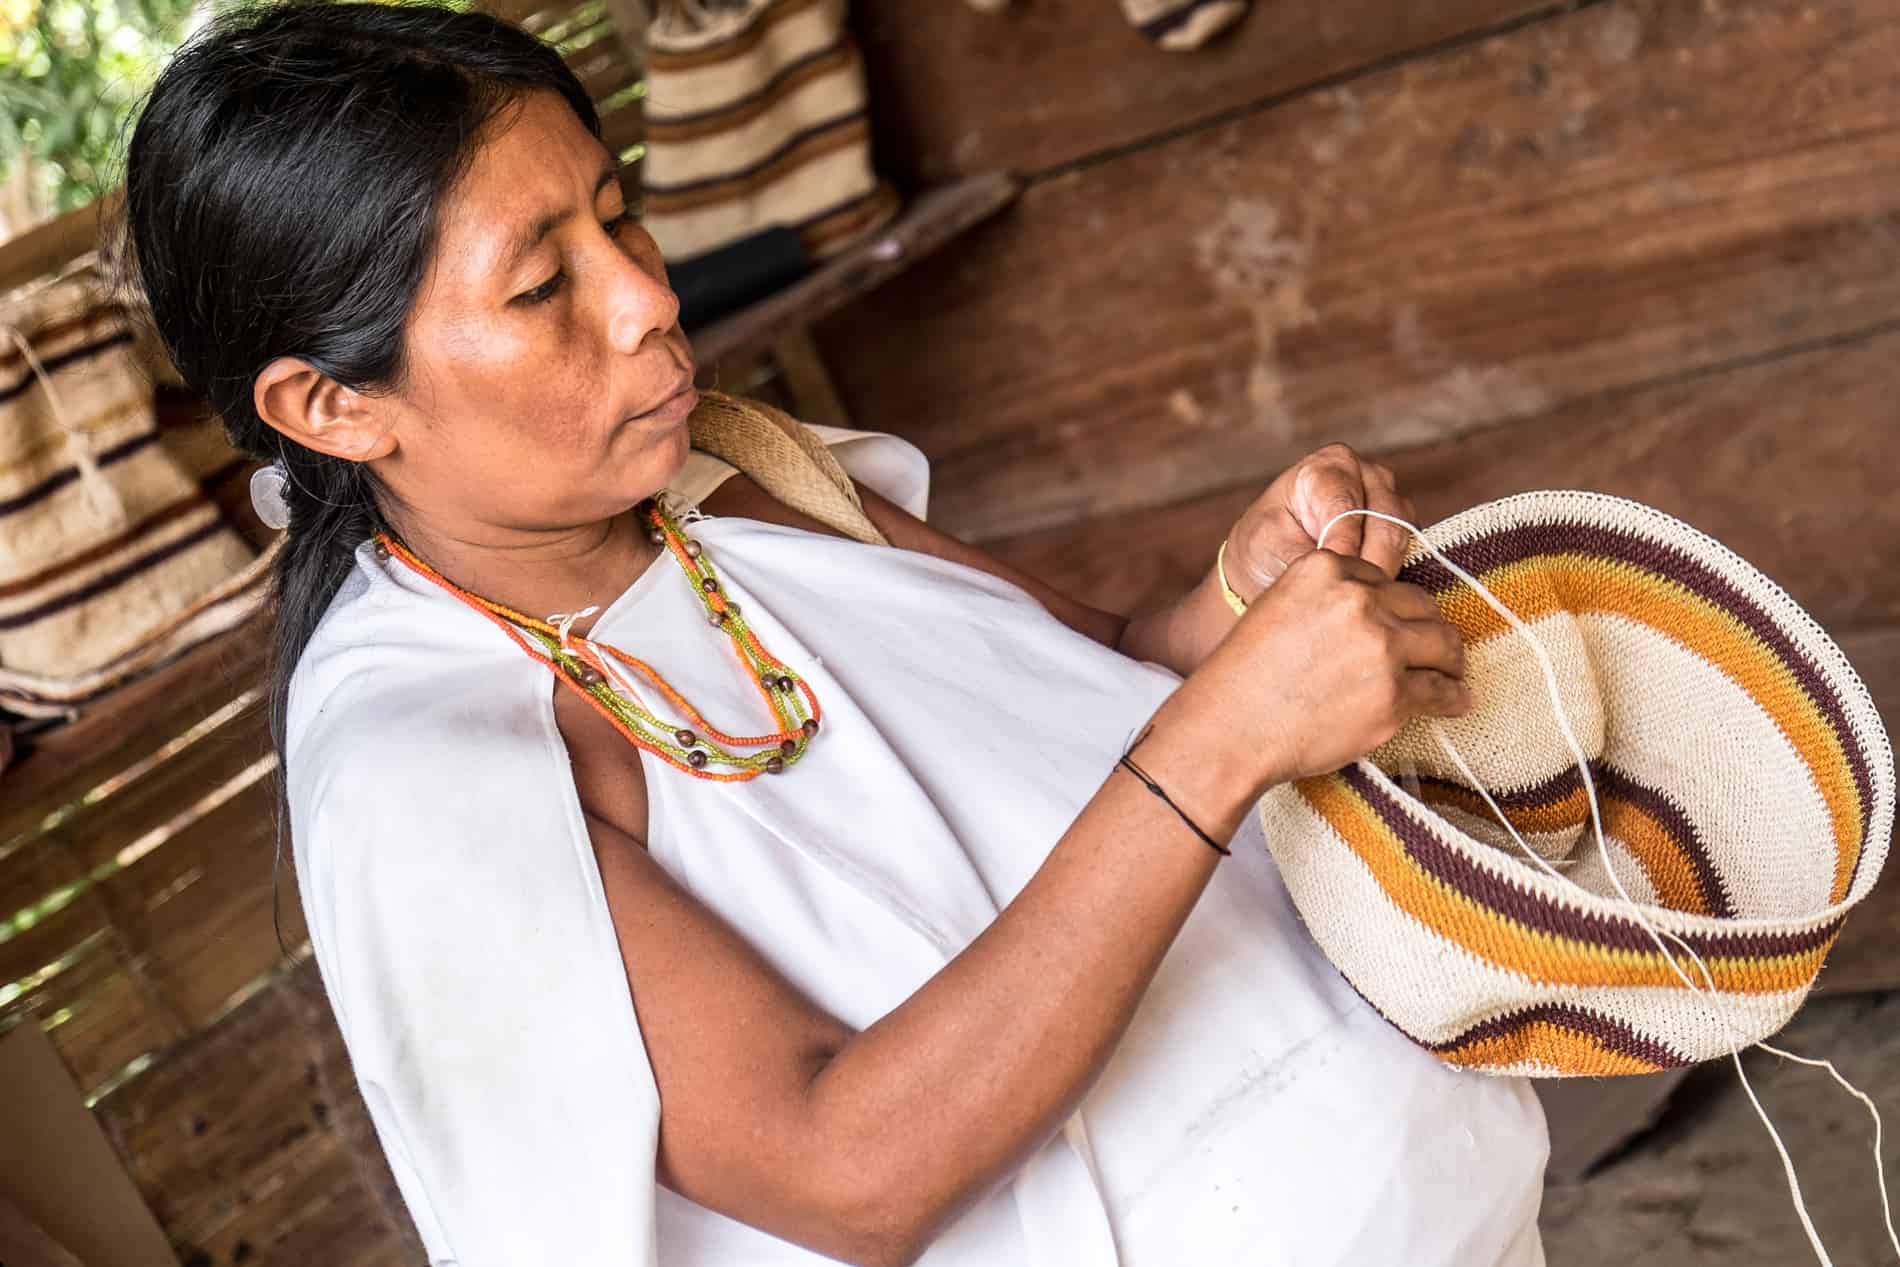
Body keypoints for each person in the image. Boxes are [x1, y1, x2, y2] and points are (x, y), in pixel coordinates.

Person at [116, 3, 1549, 1264]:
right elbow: (849, 1174)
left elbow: (1110, 672)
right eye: (543, 288)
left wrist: (1236, 604)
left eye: (619, 216)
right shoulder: (425, 778)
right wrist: (1232, 731)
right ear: (333, 407)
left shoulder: (736, 479)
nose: (649, 298)